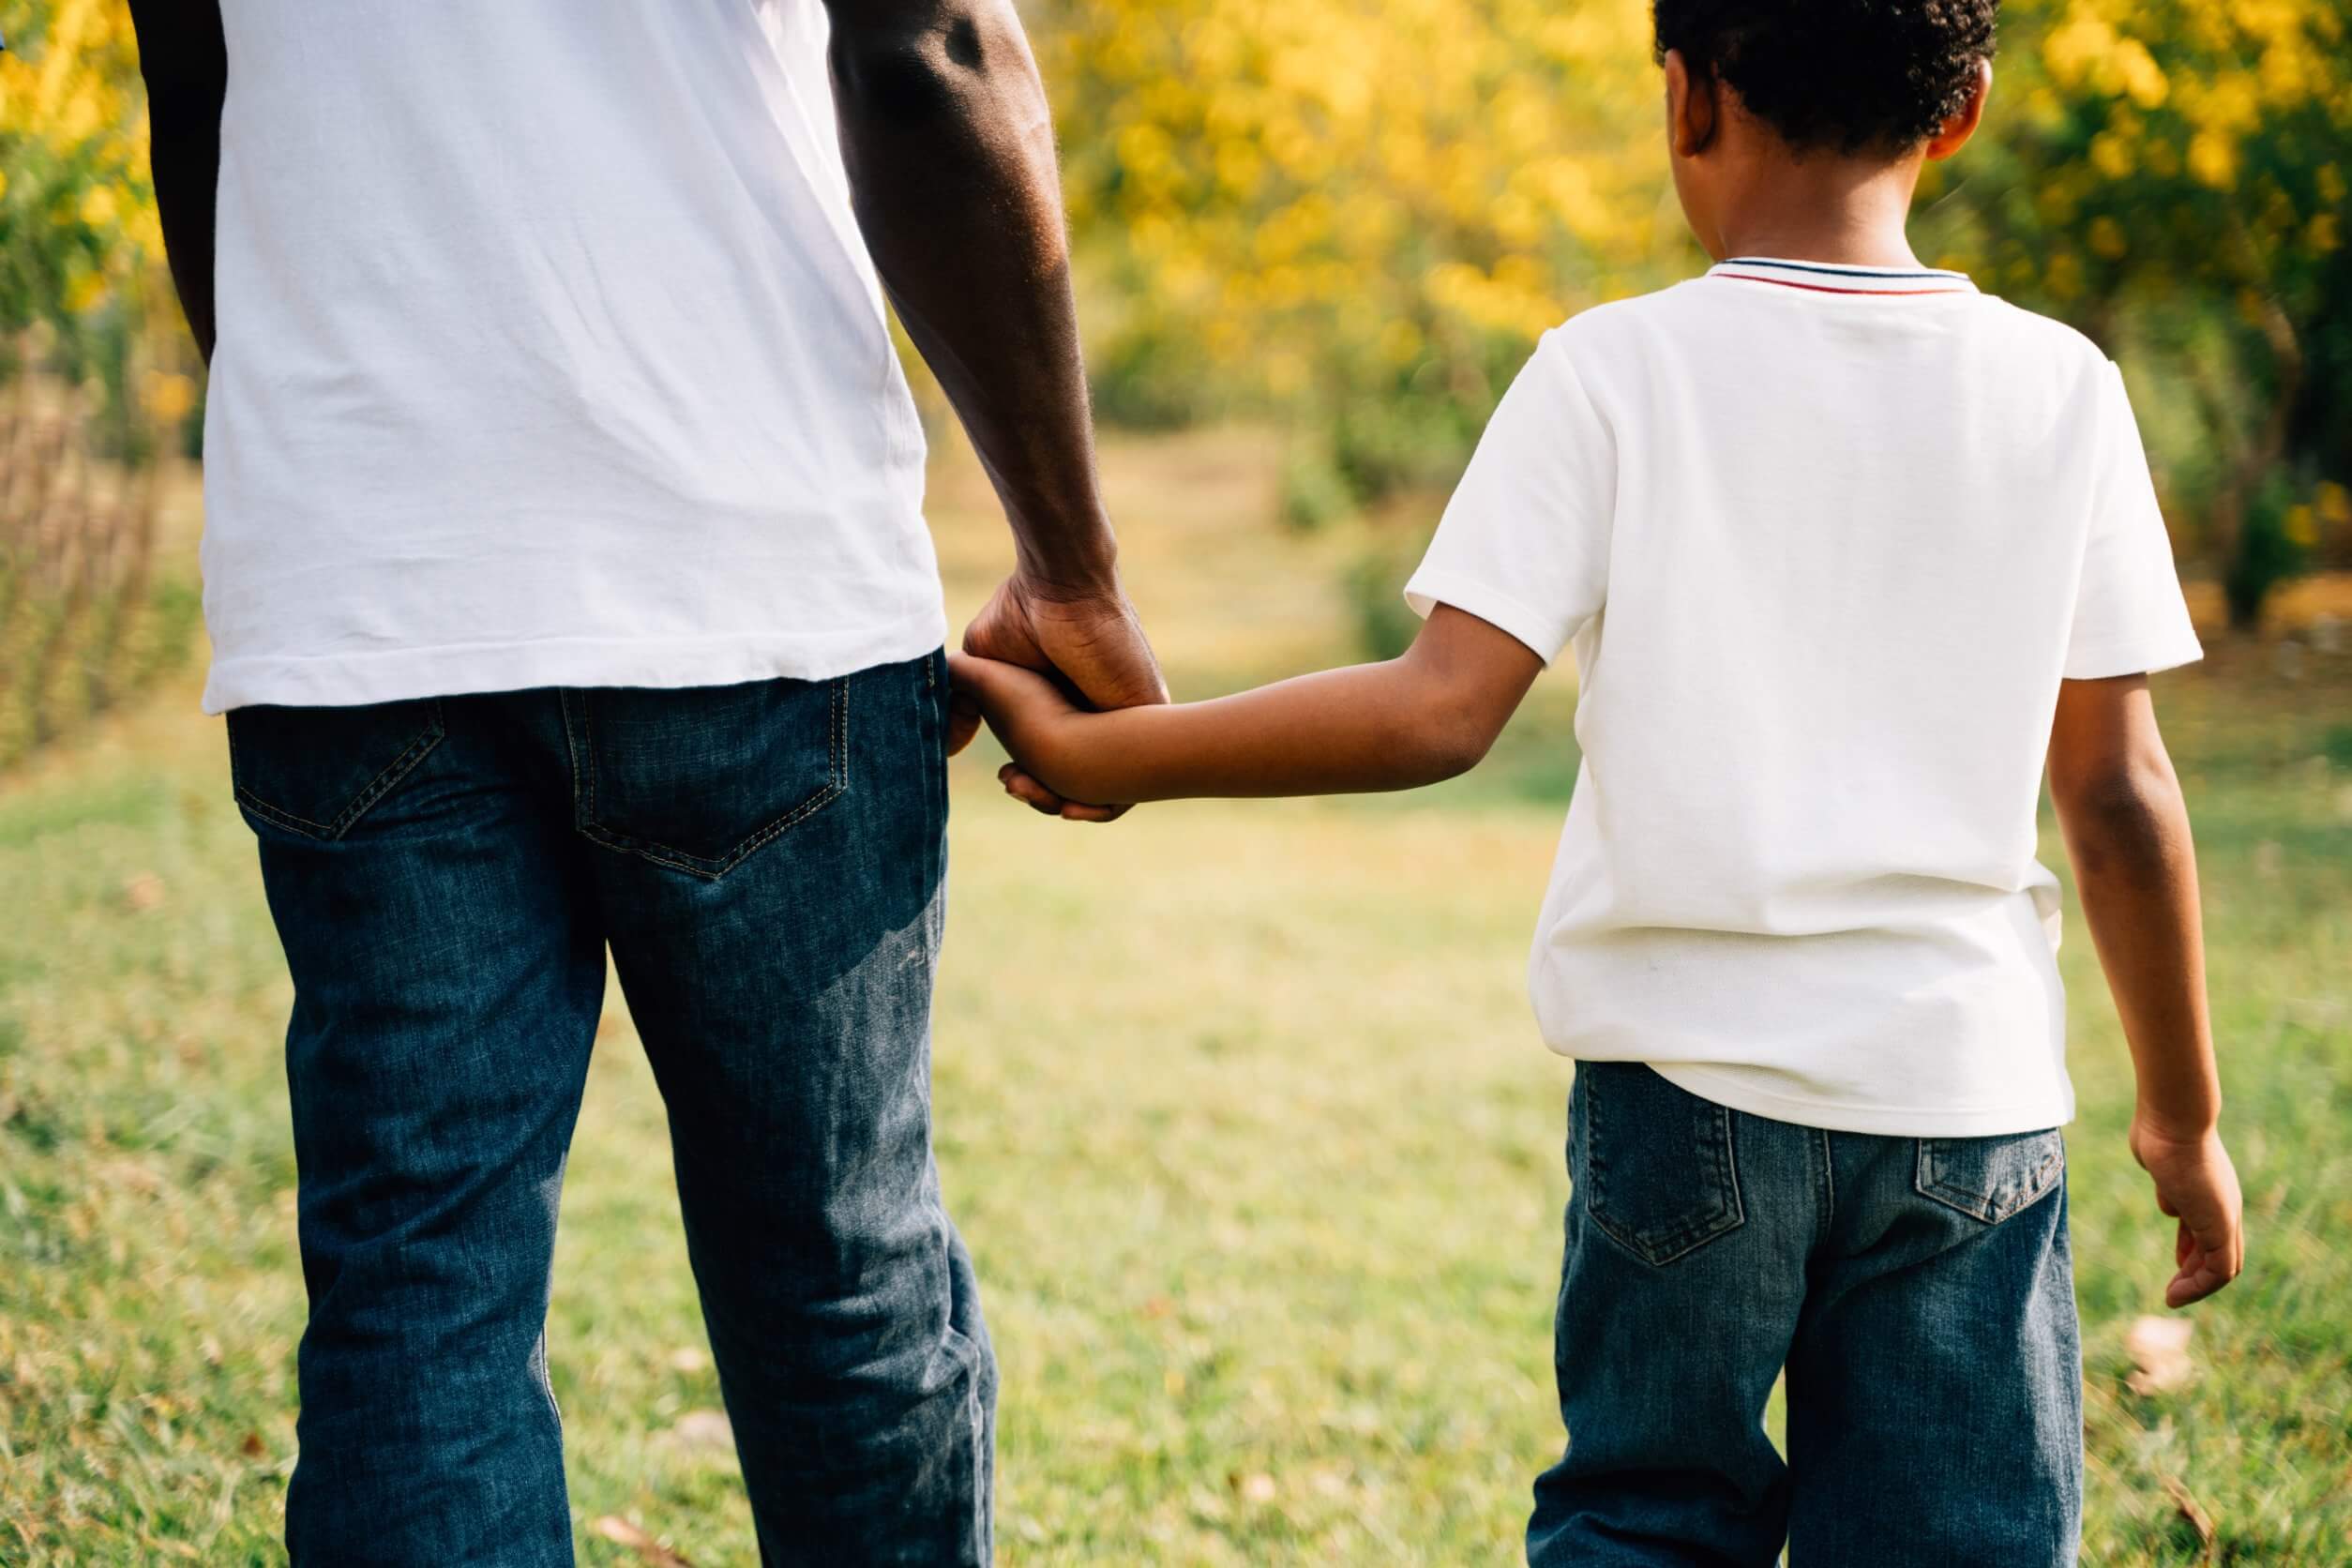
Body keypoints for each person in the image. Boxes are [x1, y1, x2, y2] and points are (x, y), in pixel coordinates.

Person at [954, 2, 2244, 1560]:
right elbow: (2119, 798)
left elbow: (1434, 713)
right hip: (1963, 1101)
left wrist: (1113, 754)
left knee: (1645, 1518)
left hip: (1683, 1092)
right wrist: (2181, 1123)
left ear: (1688, 100)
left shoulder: (1615, 369)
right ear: (1962, 110)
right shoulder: (2066, 390)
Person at [126, 1, 1163, 1561]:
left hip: (365, 596)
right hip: (740, 559)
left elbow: (198, 83)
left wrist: (342, 476)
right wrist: (1071, 561)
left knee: (418, 1288)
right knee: (833, 1271)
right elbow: (930, 47)